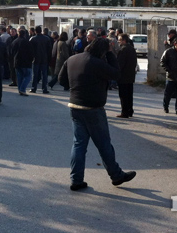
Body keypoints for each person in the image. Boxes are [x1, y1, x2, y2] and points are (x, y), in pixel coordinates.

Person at [58, 38, 137, 191]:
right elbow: (116, 74)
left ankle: (76, 179)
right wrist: (110, 54)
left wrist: (75, 87)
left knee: (79, 144)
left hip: (75, 106)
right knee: (104, 145)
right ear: (103, 50)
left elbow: (62, 80)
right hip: (93, 109)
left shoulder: (72, 59)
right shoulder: (97, 63)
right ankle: (116, 175)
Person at [117, 33, 138, 118]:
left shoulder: (123, 50)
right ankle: (130, 110)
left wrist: (117, 72)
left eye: (120, 40)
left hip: (123, 76)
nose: (119, 41)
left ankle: (124, 112)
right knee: (129, 94)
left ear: (124, 40)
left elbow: (120, 64)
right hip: (130, 75)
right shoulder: (132, 49)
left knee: (123, 95)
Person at [29, 25, 52, 94]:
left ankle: (34, 88)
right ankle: (44, 88)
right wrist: (49, 58)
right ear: (41, 30)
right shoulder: (46, 39)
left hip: (35, 59)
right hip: (44, 58)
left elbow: (30, 50)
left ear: (35, 31)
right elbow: (49, 50)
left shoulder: (32, 39)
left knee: (35, 74)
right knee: (44, 74)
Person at [12, 29, 33, 96]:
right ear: (24, 34)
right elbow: (31, 53)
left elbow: (11, 52)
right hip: (26, 62)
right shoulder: (27, 42)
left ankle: (20, 89)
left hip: (17, 62)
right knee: (28, 76)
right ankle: (22, 89)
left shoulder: (14, 42)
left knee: (19, 77)